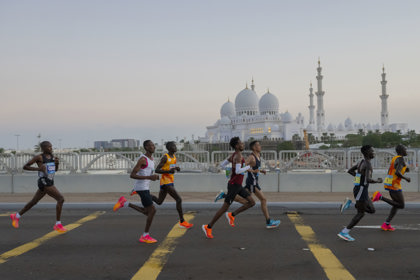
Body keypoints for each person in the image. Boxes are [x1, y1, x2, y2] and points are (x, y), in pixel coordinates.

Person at [214, 141, 281, 229]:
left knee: (244, 200)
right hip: (252, 182)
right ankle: (268, 222)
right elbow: (243, 167)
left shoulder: (258, 156)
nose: (260, 146)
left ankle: (225, 197)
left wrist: (260, 171)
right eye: (258, 145)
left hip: (254, 181)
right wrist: (253, 171)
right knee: (263, 199)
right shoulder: (251, 157)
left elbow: (254, 167)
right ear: (254, 147)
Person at [202, 137, 256, 239]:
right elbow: (238, 171)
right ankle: (208, 227)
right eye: (241, 143)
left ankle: (232, 215)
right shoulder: (238, 156)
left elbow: (222, 165)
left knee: (252, 203)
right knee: (224, 208)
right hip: (234, 186)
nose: (243, 144)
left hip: (238, 185)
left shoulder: (233, 155)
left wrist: (230, 170)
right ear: (236, 146)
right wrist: (249, 166)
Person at [10, 141, 67, 233]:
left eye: (51, 147)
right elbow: (25, 166)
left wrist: (57, 163)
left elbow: (55, 170)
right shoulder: (39, 157)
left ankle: (16, 216)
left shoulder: (52, 157)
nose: (51, 148)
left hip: (50, 180)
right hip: (44, 181)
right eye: (49, 147)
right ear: (44, 148)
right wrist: (38, 169)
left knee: (33, 202)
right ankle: (58, 224)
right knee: (60, 199)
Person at [113, 140, 159, 243]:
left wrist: (154, 177)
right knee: (152, 211)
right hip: (142, 188)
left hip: (144, 188)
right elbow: (132, 175)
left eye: (153, 145)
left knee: (147, 212)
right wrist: (149, 177)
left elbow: (148, 173)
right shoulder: (143, 159)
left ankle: (125, 203)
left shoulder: (151, 159)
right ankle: (145, 236)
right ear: (146, 147)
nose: (153, 147)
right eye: (151, 145)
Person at [337, 145, 383, 242]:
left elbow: (350, 171)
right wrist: (378, 181)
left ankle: (351, 204)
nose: (373, 153)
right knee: (361, 213)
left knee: (372, 210)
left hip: (361, 189)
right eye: (372, 151)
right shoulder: (367, 164)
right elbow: (368, 179)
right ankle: (344, 232)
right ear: (366, 153)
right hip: (361, 190)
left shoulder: (361, 162)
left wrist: (359, 178)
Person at [152, 141, 193, 229]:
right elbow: (157, 170)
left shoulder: (174, 157)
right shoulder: (165, 157)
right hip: (166, 182)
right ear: (170, 148)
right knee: (178, 199)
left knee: (159, 202)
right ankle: (182, 221)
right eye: (174, 146)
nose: (176, 147)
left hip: (170, 181)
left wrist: (175, 168)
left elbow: (170, 168)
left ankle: (143, 194)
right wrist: (168, 171)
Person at [371, 144, 410, 231]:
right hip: (394, 184)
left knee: (395, 205)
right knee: (401, 205)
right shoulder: (401, 159)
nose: (406, 151)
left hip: (390, 182)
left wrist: (405, 170)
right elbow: (397, 173)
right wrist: (406, 178)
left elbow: (391, 170)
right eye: (405, 149)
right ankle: (379, 197)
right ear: (401, 151)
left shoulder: (395, 158)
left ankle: (386, 224)